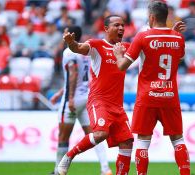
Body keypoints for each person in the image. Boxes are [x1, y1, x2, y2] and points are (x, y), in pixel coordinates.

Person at [113, 1, 190, 175]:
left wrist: (118, 54)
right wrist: (174, 34)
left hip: (147, 96)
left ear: (152, 17)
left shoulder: (142, 37)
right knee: (178, 139)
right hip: (170, 95)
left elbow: (122, 66)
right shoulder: (178, 38)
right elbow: (178, 59)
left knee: (143, 141)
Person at [57, 15, 134, 175]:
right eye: (116, 25)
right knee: (101, 133)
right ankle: (69, 155)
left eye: (122, 25)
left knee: (127, 142)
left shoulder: (126, 47)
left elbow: (146, 52)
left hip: (117, 105)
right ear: (106, 29)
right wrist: (71, 43)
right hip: (98, 101)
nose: (121, 28)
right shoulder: (96, 45)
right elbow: (78, 48)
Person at [49, 26, 112, 175]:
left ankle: (58, 171)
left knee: (63, 136)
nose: (63, 34)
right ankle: (105, 168)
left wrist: (69, 98)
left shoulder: (69, 51)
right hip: (86, 97)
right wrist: (59, 92)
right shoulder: (85, 53)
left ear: (70, 34)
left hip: (73, 100)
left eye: (65, 31)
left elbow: (73, 73)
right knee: (93, 135)